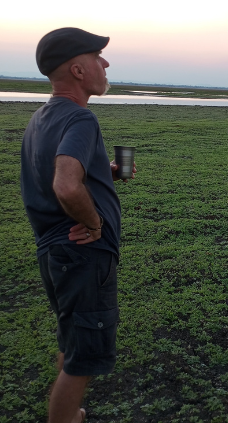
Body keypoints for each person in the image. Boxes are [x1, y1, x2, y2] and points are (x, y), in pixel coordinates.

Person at [21, 28, 136, 423]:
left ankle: (72, 414)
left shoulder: (41, 118)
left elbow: (55, 172)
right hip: (81, 255)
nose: (105, 64)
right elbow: (66, 185)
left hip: (53, 255)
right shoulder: (81, 119)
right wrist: (95, 221)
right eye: (97, 57)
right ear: (78, 69)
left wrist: (111, 172)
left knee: (71, 339)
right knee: (83, 360)